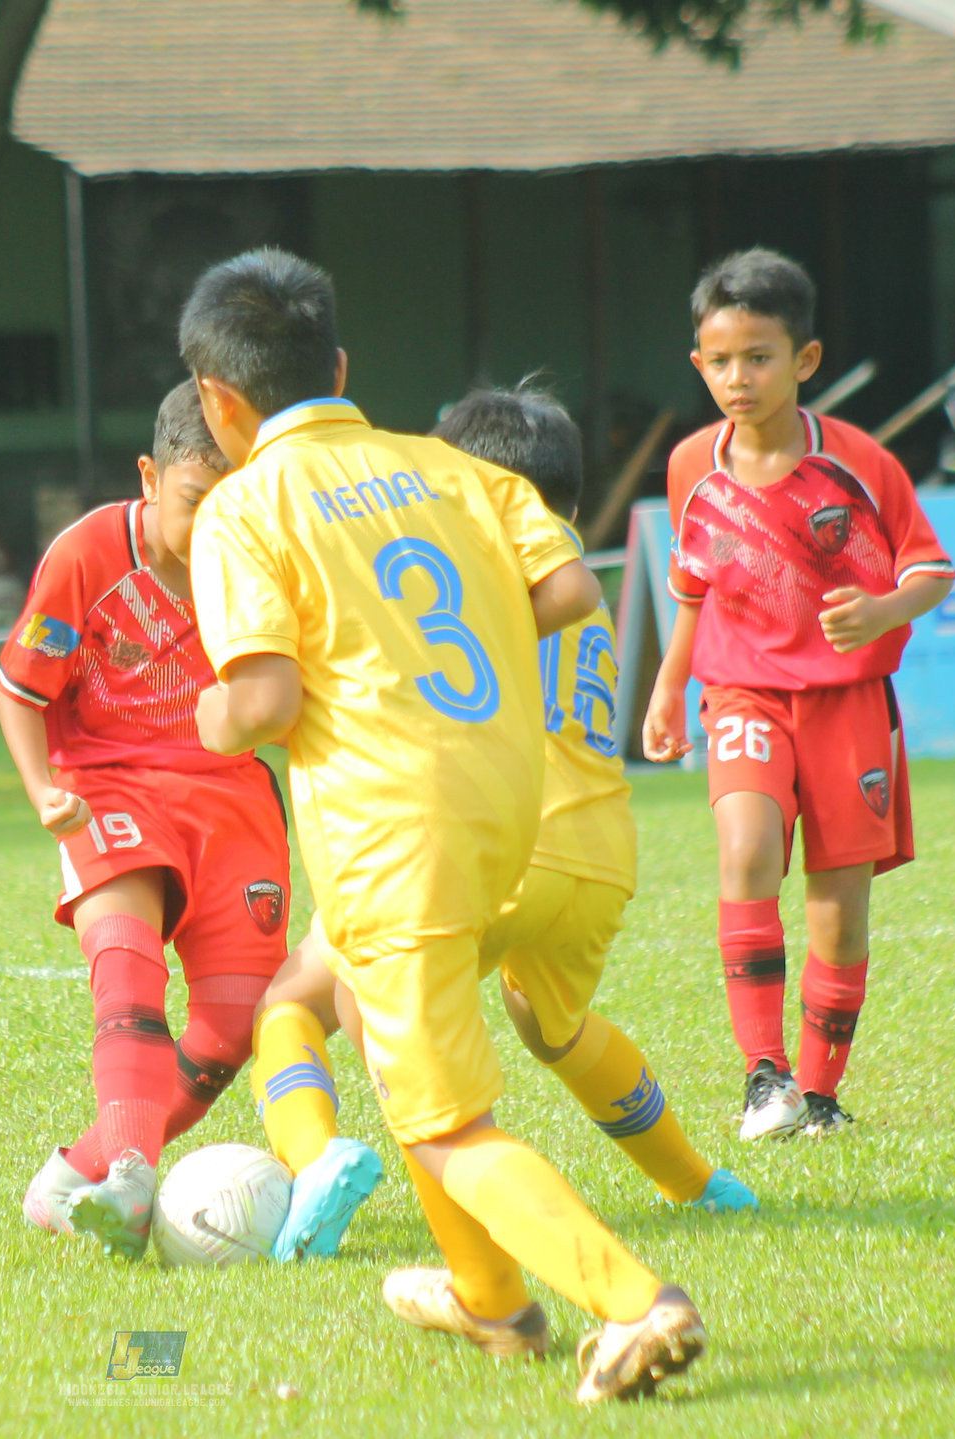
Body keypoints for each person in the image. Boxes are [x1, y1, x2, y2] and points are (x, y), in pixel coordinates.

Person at [183, 248, 703, 1405]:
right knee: (404, 1065)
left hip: (390, 828)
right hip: (504, 801)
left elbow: (259, 702)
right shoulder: (448, 468)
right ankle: (492, 1304)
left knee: (445, 1120)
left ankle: (634, 1300)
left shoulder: (243, 508)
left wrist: (211, 713)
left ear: (216, 398)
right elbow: (567, 590)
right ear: (339, 367)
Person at [249, 385, 756, 1273]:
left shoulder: (463, 560)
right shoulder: (572, 574)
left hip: (484, 833)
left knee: (296, 1001)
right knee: (554, 1028)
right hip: (597, 855)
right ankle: (695, 1180)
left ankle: (327, 1157)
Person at [643, 249, 955, 1143]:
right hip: (742, 693)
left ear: (805, 359)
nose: (737, 378)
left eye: (759, 357)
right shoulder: (691, 465)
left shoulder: (859, 462)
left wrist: (885, 608)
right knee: (745, 849)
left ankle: (818, 1096)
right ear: (698, 363)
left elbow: (932, 569)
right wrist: (668, 687)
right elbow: (693, 587)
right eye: (719, 361)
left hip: (848, 705)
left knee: (838, 911)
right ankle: (762, 1074)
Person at [0, 382, 292, 1261]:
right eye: (197, 499)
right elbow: (19, 689)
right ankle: (131, 1177)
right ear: (149, 477)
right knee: (129, 973)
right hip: (109, 786)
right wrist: (42, 790)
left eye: (234, 502)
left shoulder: (266, 558)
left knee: (235, 1024)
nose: (214, 524)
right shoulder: (88, 554)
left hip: (232, 795)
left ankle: (71, 1179)